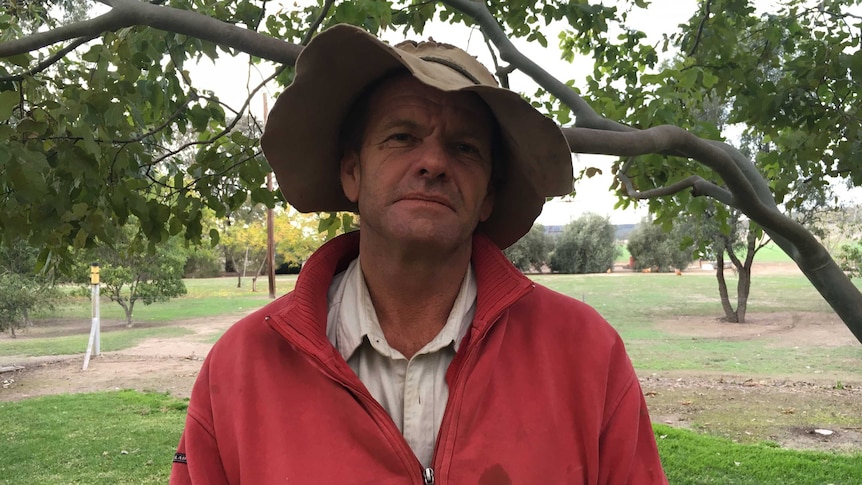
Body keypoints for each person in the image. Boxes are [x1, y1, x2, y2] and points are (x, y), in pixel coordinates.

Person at [170, 24, 667, 484]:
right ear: (352, 173)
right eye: (402, 137)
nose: (432, 162)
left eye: (465, 148)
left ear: (488, 195)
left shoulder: (586, 357)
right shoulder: (239, 370)